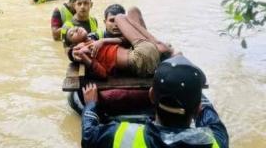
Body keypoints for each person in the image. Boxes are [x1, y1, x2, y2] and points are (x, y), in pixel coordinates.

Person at [81, 55, 229, 148]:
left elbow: (89, 137)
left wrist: (90, 105)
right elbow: (210, 116)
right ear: (197, 108)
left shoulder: (121, 134)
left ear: (151, 95)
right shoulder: (217, 141)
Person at [67, 11, 173, 79]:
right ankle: (157, 44)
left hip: (142, 55)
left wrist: (103, 41)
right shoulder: (82, 48)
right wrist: (84, 58)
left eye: (76, 28)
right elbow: (103, 74)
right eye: (72, 33)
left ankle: (157, 46)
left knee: (133, 11)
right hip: (139, 59)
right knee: (120, 17)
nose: (76, 29)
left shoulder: (95, 41)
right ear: (74, 44)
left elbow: (124, 40)